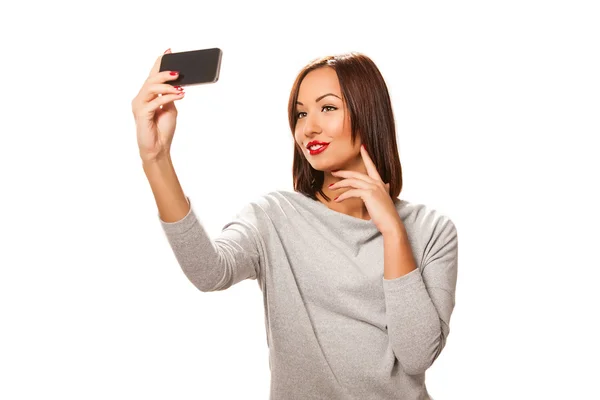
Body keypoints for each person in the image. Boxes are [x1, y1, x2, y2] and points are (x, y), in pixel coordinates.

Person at [131, 48, 459, 400]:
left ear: (369, 114)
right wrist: (156, 159)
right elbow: (209, 272)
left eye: (328, 107)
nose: (308, 128)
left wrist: (393, 231)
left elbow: (417, 356)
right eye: (300, 113)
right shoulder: (275, 216)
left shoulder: (432, 231)